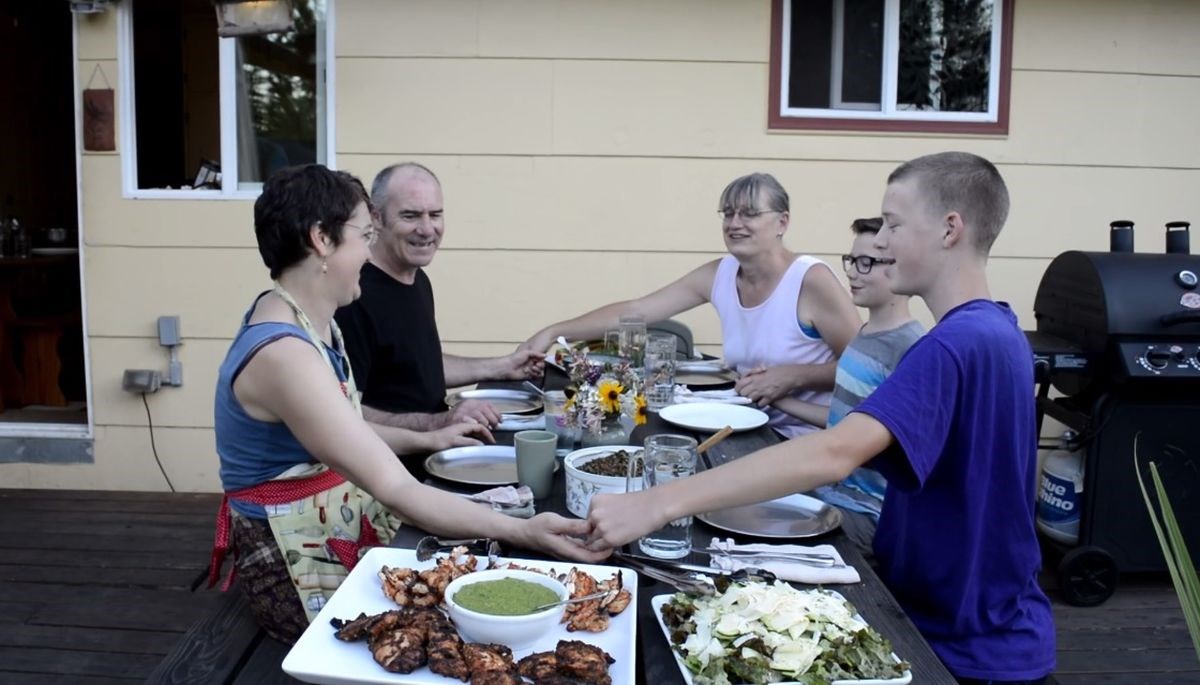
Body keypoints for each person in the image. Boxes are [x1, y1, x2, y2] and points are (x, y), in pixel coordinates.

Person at [586, 152, 1055, 684]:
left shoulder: (949, 346)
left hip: (963, 648)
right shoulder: (1000, 331)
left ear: (951, 230)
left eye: (894, 225)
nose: (880, 243)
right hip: (986, 627)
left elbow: (834, 451)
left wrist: (656, 502)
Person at [210, 165, 607, 644]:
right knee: (454, 636)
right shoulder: (285, 355)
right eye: (364, 234)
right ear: (321, 239)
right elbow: (394, 485)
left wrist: (428, 438)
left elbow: (348, 427)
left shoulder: (312, 322)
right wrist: (525, 531)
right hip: (293, 560)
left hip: (337, 520)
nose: (369, 250)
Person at [523, 173, 861, 438]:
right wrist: (554, 331)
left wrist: (793, 377)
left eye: (750, 213)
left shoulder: (810, 280)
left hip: (805, 438)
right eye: (728, 213)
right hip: (741, 426)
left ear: (782, 223)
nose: (735, 223)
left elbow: (868, 370)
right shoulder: (721, 273)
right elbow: (636, 312)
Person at [335, 162, 545, 432]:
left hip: (437, 452)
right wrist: (439, 422)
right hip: (393, 469)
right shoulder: (353, 296)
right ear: (376, 217)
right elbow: (345, 415)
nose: (426, 229)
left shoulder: (416, 277)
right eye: (410, 216)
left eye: (435, 215)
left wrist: (503, 366)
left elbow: (419, 368)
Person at [773, 217, 924, 557]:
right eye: (852, 260)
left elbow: (888, 449)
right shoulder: (865, 334)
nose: (853, 272)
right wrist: (777, 401)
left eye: (867, 263)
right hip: (829, 495)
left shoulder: (910, 349)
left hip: (866, 513)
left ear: (900, 265)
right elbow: (844, 421)